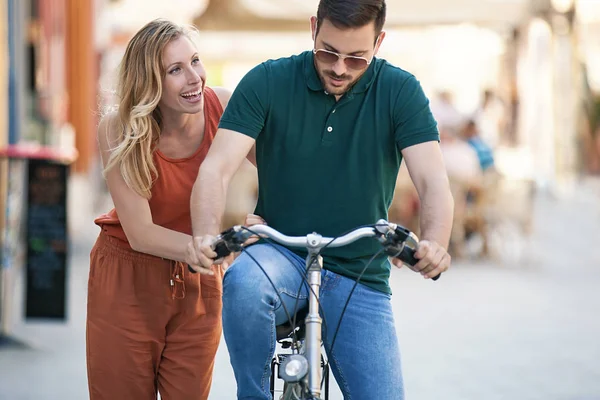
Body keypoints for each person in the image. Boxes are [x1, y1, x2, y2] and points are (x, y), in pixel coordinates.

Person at [187, 1, 454, 398]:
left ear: (378, 42)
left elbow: (433, 181)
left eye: (357, 58)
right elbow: (216, 168)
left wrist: (434, 242)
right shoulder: (267, 80)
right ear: (314, 28)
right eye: (328, 52)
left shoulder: (400, 91)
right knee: (242, 285)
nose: (340, 68)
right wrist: (207, 235)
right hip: (281, 253)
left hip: (360, 269)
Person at [87, 19, 233, 400]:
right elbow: (141, 233)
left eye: (195, 61)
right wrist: (215, 248)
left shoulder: (225, 107)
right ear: (150, 81)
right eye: (175, 70)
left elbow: (277, 171)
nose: (194, 77)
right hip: (126, 279)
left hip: (200, 281)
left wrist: (262, 217)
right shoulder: (118, 128)